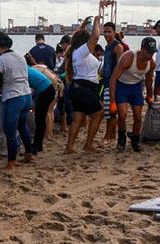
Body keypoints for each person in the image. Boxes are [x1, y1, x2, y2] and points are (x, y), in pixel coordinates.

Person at [0, 32, 34, 169]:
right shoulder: (20, 57)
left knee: (9, 131)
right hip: (26, 95)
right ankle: (28, 154)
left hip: (13, 97)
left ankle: (11, 163)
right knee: (22, 126)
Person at [110, 37, 156, 152]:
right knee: (122, 114)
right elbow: (113, 78)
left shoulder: (151, 64)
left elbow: (149, 80)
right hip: (122, 85)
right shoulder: (128, 57)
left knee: (137, 116)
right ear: (142, 49)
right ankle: (121, 140)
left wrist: (149, 96)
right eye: (148, 52)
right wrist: (112, 102)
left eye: (153, 52)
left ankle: (135, 140)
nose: (150, 55)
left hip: (136, 87)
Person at [65, 16, 103, 153]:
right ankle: (88, 144)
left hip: (78, 88)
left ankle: (69, 147)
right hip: (84, 89)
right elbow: (95, 38)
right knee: (99, 113)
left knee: (78, 118)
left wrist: (83, 25)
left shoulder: (78, 53)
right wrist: (96, 22)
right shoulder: (81, 52)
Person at [25, 54, 56, 153]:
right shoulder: (28, 68)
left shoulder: (23, 71)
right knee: (41, 117)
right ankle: (38, 144)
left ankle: (37, 145)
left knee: (40, 118)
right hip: (49, 88)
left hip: (46, 90)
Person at [101, 21, 125, 143]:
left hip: (113, 83)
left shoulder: (117, 46)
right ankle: (111, 135)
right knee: (108, 110)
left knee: (111, 111)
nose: (106, 34)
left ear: (114, 32)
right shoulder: (107, 47)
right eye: (104, 32)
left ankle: (109, 136)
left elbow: (120, 67)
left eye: (109, 32)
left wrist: (114, 82)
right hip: (106, 82)